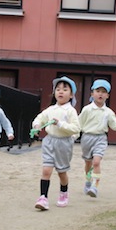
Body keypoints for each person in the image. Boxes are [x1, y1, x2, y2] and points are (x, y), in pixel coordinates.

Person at [31, 76, 81, 210]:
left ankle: (64, 193)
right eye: (58, 89)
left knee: (61, 172)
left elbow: (76, 129)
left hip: (64, 144)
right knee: (46, 170)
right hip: (49, 141)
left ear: (71, 95)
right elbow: (40, 118)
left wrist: (60, 124)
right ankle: (43, 198)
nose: (60, 92)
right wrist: (36, 125)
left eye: (65, 89)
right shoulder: (50, 109)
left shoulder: (71, 111)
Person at [79, 79, 116, 198]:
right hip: (87, 138)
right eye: (98, 91)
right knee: (88, 163)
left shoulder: (108, 112)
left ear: (107, 95)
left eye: (104, 92)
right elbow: (79, 124)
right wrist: (71, 135)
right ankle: (88, 181)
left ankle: (95, 187)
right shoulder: (86, 110)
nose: (100, 94)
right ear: (92, 93)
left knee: (96, 162)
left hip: (100, 139)